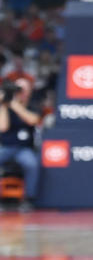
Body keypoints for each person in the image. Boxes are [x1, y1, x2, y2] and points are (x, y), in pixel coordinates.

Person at [0, 79, 40, 210]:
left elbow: (32, 120)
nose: (20, 92)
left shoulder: (32, 104)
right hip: (6, 147)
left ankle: (29, 199)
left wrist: (14, 105)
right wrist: (4, 105)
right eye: (18, 89)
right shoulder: (5, 105)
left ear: (29, 91)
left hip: (23, 148)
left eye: (23, 89)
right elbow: (3, 127)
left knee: (31, 164)